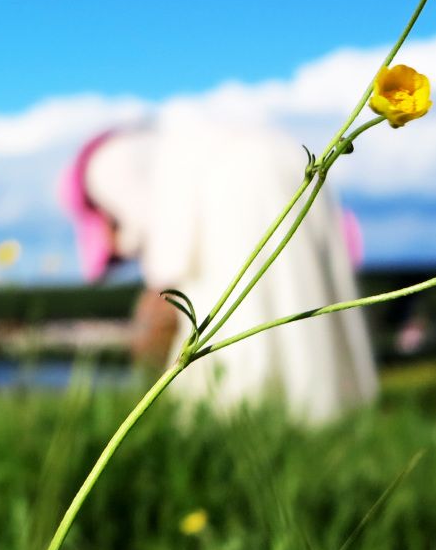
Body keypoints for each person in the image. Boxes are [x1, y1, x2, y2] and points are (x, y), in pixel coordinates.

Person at [61, 107, 378, 424]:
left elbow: (163, 240)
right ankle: (323, 411)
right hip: (297, 164)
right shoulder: (176, 141)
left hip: (239, 195)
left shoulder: (101, 169)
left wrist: (156, 301)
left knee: (241, 314)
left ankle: (243, 417)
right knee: (299, 293)